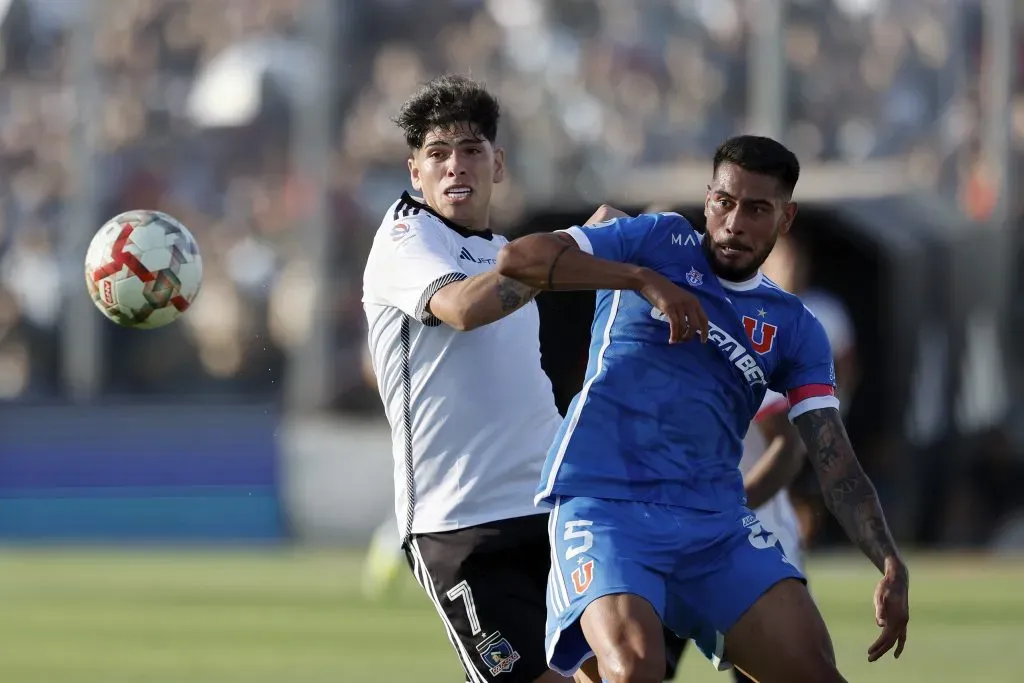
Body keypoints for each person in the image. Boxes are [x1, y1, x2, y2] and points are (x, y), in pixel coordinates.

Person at [495, 135, 910, 683]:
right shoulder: (657, 240)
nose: (735, 222)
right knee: (634, 670)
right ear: (708, 199)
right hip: (604, 506)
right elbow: (517, 258)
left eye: (757, 209)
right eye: (725, 202)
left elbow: (834, 463)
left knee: (816, 672)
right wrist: (642, 280)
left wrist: (887, 559)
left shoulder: (795, 328)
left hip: (714, 523)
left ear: (786, 219)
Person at [361, 74, 573, 683]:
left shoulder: (504, 249)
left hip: (551, 507)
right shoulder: (406, 238)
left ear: (497, 164)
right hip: (459, 529)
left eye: (472, 150)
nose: (456, 166)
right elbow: (463, 310)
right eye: (438, 153)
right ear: (415, 173)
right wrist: (568, 250)